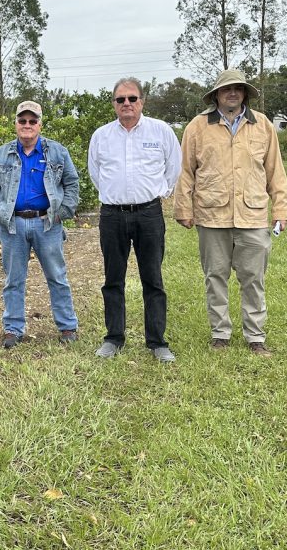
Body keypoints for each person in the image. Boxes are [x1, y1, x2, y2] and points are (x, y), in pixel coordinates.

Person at [173, 69, 287, 356]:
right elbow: (186, 171)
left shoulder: (262, 125)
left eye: (238, 89)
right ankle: (220, 334)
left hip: (252, 215)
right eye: (227, 89)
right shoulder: (197, 127)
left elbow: (276, 171)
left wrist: (281, 208)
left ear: (245, 94)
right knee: (215, 276)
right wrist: (182, 207)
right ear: (216, 95)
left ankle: (255, 337)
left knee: (253, 278)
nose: (233, 93)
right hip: (212, 214)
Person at [88, 78, 181, 362]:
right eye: (120, 100)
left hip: (149, 214)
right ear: (114, 104)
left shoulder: (161, 131)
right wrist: (114, 195)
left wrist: (160, 193)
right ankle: (113, 338)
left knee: (152, 279)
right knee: (113, 279)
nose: (126, 104)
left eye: (132, 98)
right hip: (112, 216)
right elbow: (95, 173)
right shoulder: (101, 136)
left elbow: (174, 167)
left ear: (142, 100)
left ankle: (157, 342)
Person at [0, 100, 80, 349]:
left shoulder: (57, 152)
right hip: (13, 225)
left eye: (32, 121)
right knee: (13, 280)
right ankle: (13, 329)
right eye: (22, 120)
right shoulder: (0, 154)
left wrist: (61, 213)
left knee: (57, 276)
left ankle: (67, 326)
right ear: (15, 123)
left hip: (47, 223)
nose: (27, 125)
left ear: (40, 124)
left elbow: (72, 184)